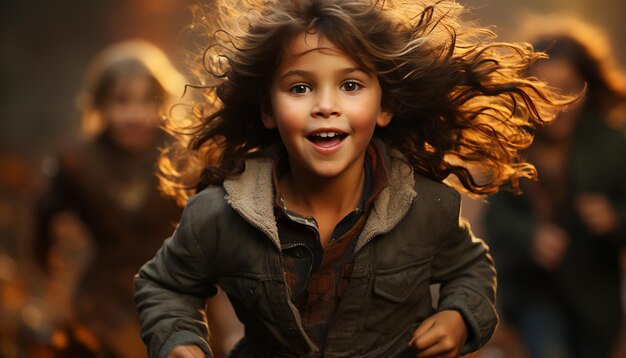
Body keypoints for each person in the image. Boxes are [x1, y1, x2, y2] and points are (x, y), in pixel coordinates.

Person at [134, 1, 567, 357]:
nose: (326, 105)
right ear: (268, 110)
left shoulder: (427, 207)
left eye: (351, 86)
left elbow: (471, 268)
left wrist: (459, 317)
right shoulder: (217, 215)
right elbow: (164, 284)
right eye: (300, 88)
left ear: (384, 107)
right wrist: (179, 341)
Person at [34, 40, 188, 357]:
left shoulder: (182, 157)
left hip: (174, 291)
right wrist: (47, 266)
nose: (135, 113)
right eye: (121, 101)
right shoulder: (76, 162)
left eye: (148, 101)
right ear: (100, 105)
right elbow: (44, 215)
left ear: (164, 104)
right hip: (101, 298)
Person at [484, 16, 626, 358]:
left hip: (596, 297)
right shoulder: (509, 146)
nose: (557, 105)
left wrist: (614, 218)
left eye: (568, 89)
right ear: (525, 90)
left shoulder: (610, 143)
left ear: (587, 87)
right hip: (534, 295)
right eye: (545, 91)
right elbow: (495, 223)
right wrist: (529, 237)